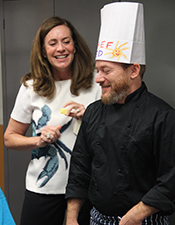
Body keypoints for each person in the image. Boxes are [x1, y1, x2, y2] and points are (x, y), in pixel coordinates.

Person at [65, 2, 175, 225]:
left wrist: (136, 215)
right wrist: (71, 216)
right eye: (98, 70)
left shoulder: (162, 116)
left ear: (133, 70)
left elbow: (171, 178)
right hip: (96, 218)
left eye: (106, 70)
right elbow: (80, 167)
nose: (98, 78)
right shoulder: (94, 112)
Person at [4, 16, 101, 225]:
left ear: (75, 46)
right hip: (43, 189)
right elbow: (9, 138)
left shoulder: (97, 82)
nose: (61, 48)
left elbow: (114, 133)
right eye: (52, 43)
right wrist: (37, 141)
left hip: (88, 188)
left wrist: (90, 116)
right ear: (43, 51)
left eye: (66, 41)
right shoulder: (31, 86)